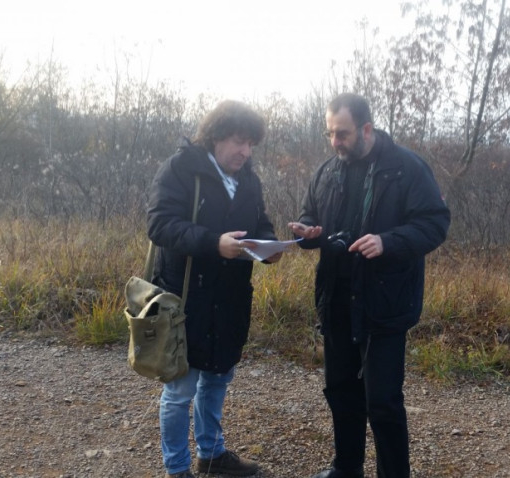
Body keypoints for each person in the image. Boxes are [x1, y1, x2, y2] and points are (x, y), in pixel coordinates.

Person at [289, 93, 450, 478]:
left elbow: (434, 223)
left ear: (366, 129)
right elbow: (310, 217)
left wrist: (388, 242)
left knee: (382, 402)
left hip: (384, 302)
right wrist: (306, 232)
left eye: (342, 133)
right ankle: (347, 469)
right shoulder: (327, 171)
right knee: (341, 391)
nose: (335, 142)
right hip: (336, 299)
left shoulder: (407, 168)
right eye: (330, 133)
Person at [147, 100, 281, 478]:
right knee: (180, 392)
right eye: (239, 141)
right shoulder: (181, 169)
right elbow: (159, 225)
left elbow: (261, 222)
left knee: (218, 379)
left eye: (251, 144)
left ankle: (211, 455)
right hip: (186, 300)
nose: (246, 151)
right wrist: (212, 243)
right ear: (216, 137)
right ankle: (177, 469)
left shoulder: (249, 179)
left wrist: (270, 247)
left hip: (231, 300)